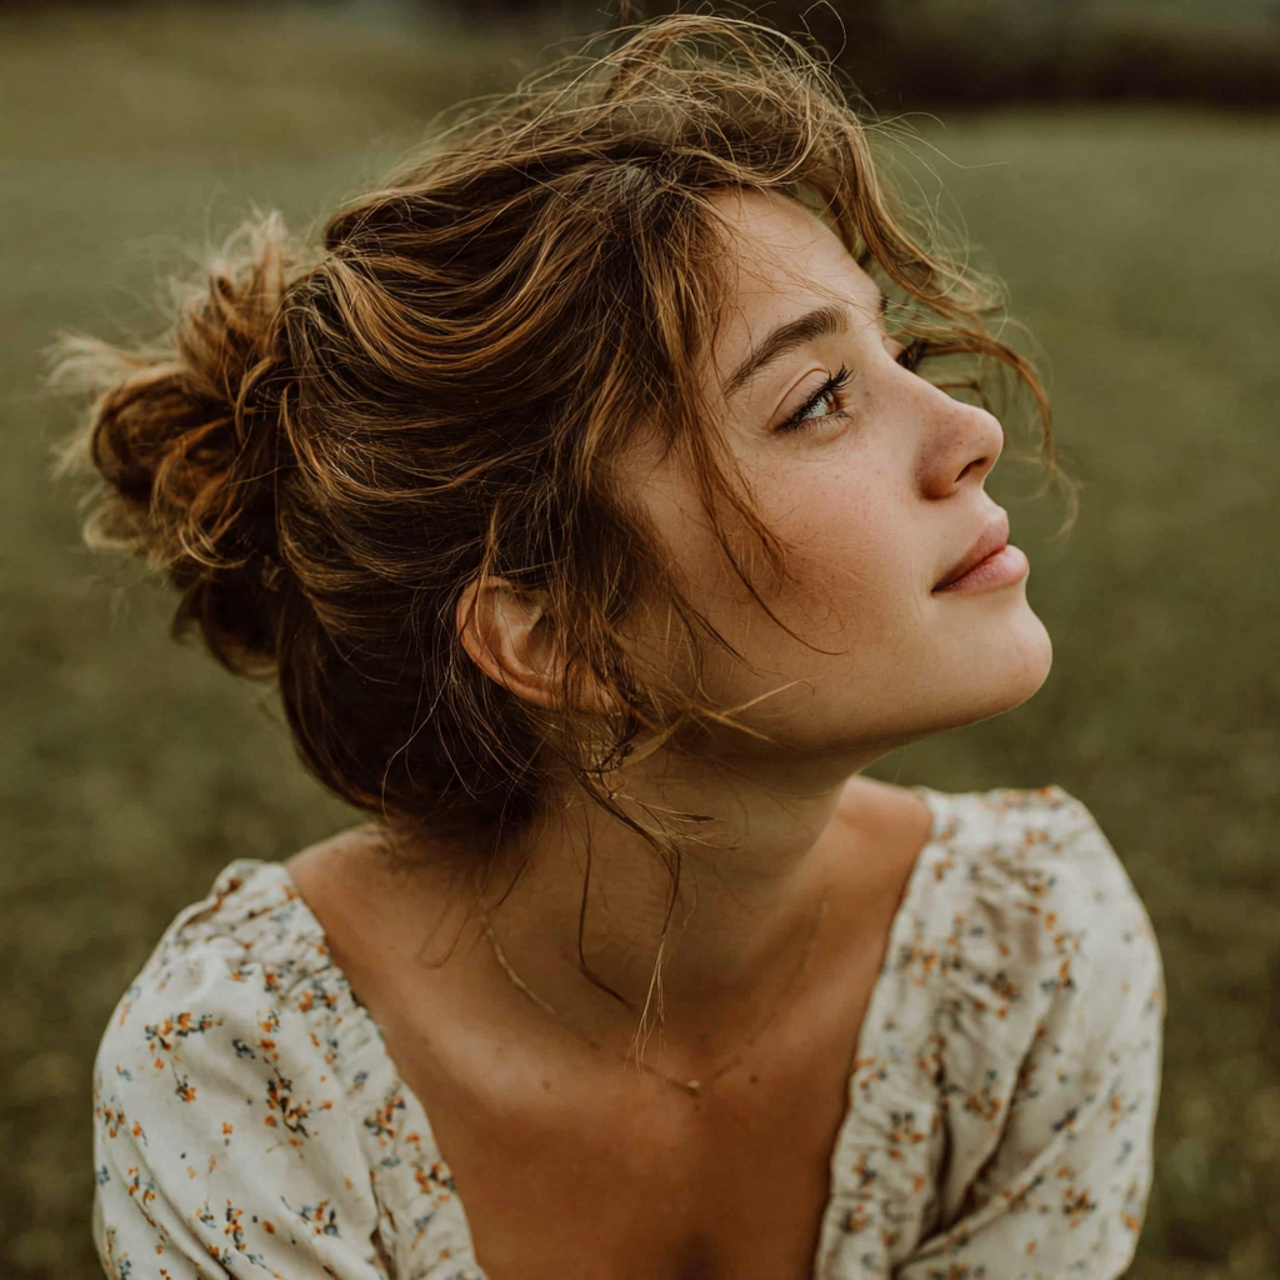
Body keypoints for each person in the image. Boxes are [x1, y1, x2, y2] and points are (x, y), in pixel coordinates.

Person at [69, 14, 1163, 1280]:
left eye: (898, 350)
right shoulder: (243, 1080)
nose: (965, 426)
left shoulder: (1029, 953)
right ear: (551, 631)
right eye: (815, 399)